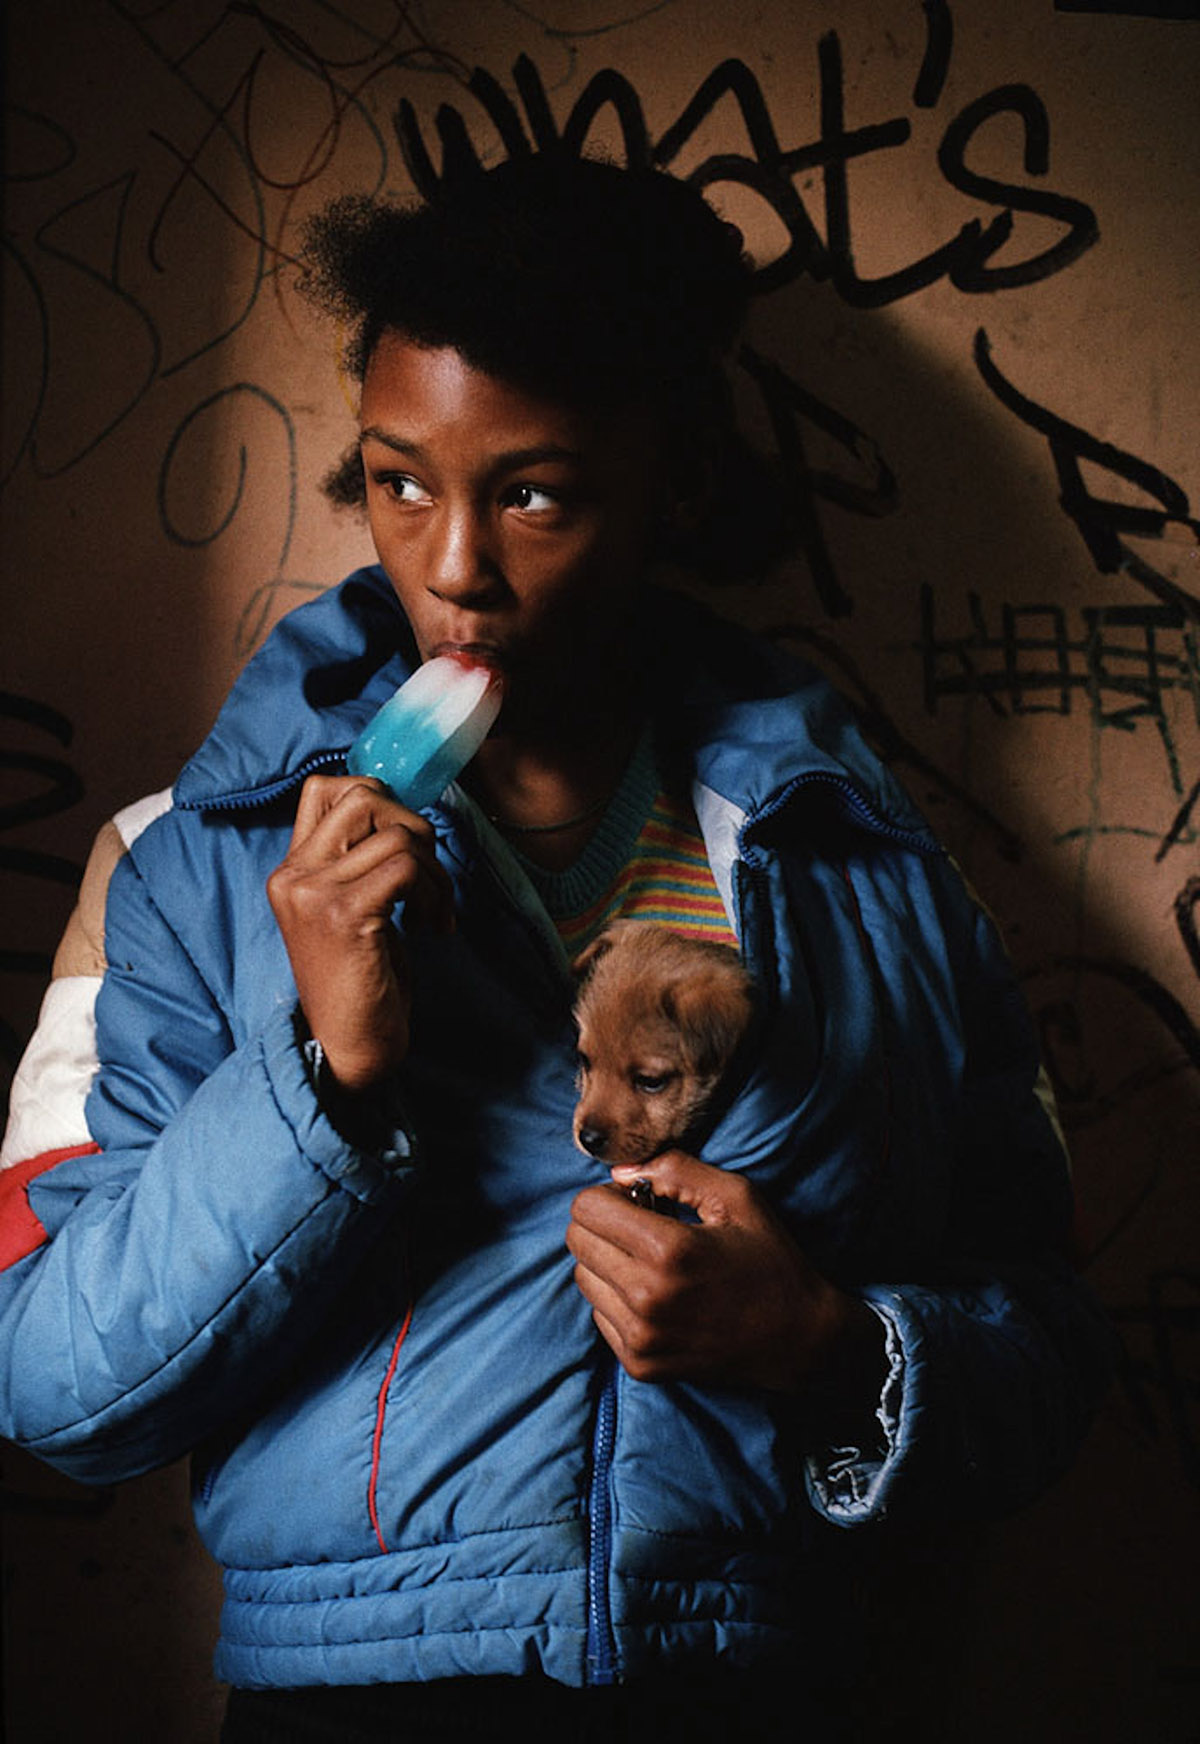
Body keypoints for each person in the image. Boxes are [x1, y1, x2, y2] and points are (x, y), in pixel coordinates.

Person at [0, 153, 1112, 1741]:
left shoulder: (876, 869)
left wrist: (825, 1348)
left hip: (779, 1688)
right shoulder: (181, 862)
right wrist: (324, 1072)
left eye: (533, 492)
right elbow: (48, 1383)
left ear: (670, 485)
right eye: (398, 481)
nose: (453, 566)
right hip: (364, 1702)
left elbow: (1053, 1346)